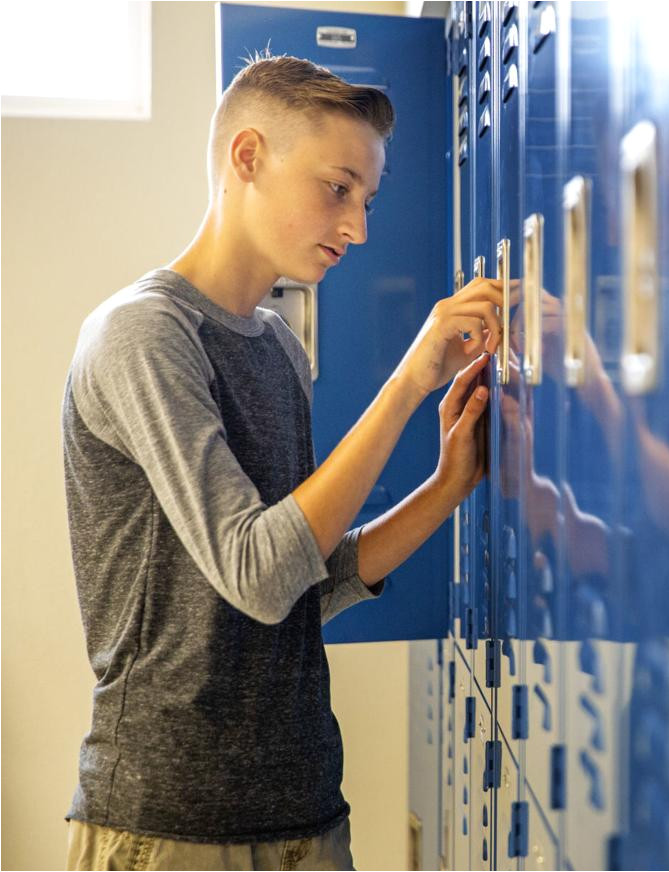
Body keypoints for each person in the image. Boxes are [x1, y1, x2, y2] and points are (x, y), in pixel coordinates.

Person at [61, 54, 501, 870]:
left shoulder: (277, 351)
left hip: (304, 811)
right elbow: (257, 575)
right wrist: (408, 383)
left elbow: (303, 585)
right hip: (172, 826)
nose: (359, 227)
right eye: (338, 189)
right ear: (247, 157)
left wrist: (447, 488)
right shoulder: (145, 335)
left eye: (368, 200)